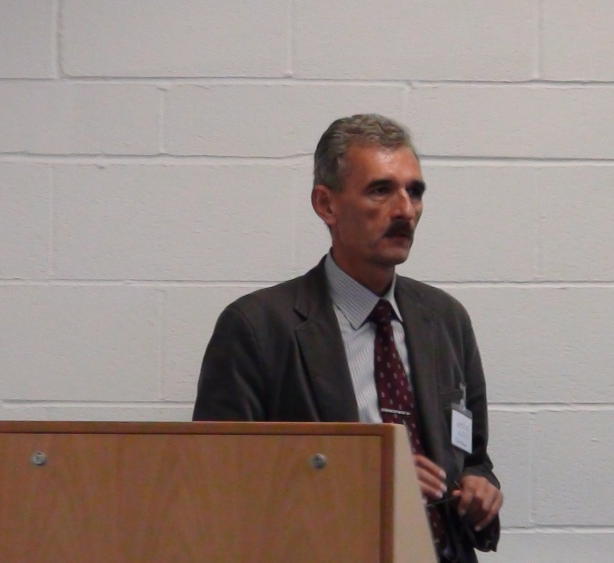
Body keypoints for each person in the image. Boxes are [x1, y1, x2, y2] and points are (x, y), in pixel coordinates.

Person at [193, 113, 502, 562]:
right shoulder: (257, 328)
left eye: (414, 191)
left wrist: (480, 486)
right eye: (381, 190)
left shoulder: (446, 320)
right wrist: (362, 480)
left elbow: (472, 456)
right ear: (326, 205)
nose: (405, 210)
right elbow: (218, 480)